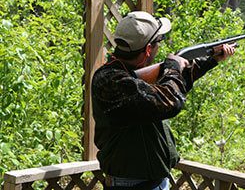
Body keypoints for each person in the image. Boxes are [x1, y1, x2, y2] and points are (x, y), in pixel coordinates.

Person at [91, 11, 235, 190]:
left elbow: (172, 84)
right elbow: (169, 99)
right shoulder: (111, 81)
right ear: (148, 49)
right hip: (130, 186)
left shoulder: (128, 77)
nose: (160, 46)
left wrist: (211, 60)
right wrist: (173, 67)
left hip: (152, 183)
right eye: (159, 41)